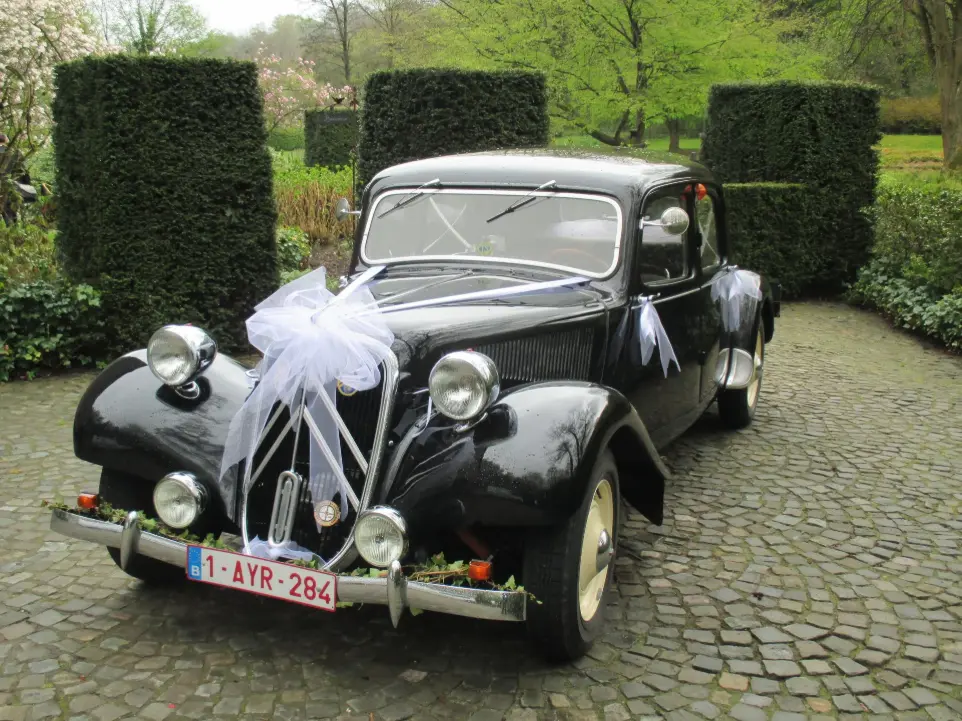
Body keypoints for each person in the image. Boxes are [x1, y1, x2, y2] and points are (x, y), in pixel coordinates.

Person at [0, 133, 33, 224]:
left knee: (5, 207)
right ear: (6, 141)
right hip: (14, 183)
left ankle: (10, 226)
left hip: (3, 184)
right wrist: (27, 184)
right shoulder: (16, 152)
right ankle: (13, 226)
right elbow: (24, 170)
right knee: (11, 207)